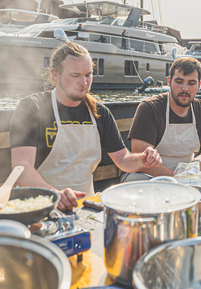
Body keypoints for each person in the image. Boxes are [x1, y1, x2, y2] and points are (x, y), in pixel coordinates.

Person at [10, 41, 161, 211]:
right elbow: (21, 168)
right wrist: (55, 195)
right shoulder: (33, 108)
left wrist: (142, 159)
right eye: (75, 75)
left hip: (85, 206)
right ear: (55, 74)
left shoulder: (99, 113)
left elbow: (122, 159)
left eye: (88, 75)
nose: (83, 82)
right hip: (39, 206)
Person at [128, 57, 201, 176]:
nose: (185, 88)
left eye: (191, 83)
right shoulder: (149, 109)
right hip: (151, 178)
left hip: (188, 175)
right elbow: (141, 162)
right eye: (179, 82)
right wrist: (178, 177)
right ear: (169, 82)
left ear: (199, 86)